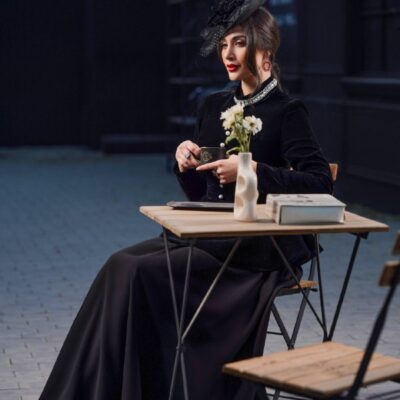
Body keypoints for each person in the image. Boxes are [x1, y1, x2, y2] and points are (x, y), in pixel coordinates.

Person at [39, 1, 333, 399]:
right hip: (209, 236)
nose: (228, 54)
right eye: (224, 44)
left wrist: (253, 171)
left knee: (136, 272)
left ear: (265, 48)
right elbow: (201, 194)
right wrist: (186, 163)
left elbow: (320, 184)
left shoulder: (287, 111)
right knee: (118, 264)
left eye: (239, 43)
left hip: (255, 251)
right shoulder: (214, 106)